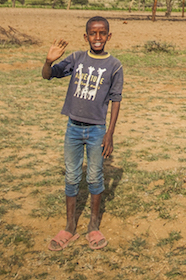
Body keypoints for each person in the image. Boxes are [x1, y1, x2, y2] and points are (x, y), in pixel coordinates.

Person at [41, 15, 123, 251]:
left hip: (97, 130)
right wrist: (48, 61)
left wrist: (110, 133)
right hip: (73, 128)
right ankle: (69, 227)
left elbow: (116, 100)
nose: (97, 38)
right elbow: (48, 75)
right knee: (71, 177)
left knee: (95, 177)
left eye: (102, 33)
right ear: (85, 36)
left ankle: (93, 226)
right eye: (93, 33)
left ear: (109, 36)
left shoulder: (114, 65)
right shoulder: (77, 58)